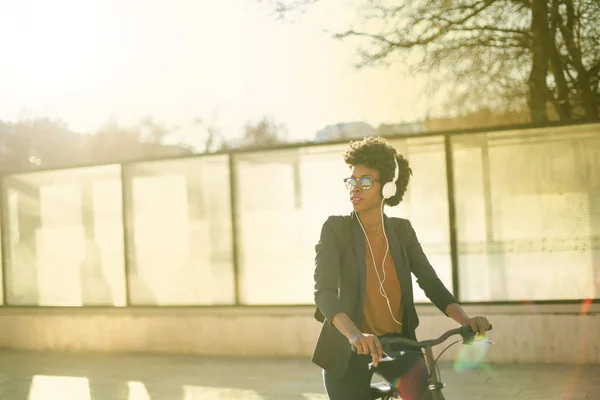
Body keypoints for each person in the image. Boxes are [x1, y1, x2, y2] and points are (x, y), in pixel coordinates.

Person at [312, 136, 491, 400]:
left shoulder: (402, 231)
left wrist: (466, 321)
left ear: (386, 188)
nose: (355, 188)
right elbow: (324, 292)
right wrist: (354, 335)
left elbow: (430, 282)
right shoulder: (336, 229)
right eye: (352, 181)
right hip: (348, 349)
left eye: (364, 181)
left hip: (399, 345)